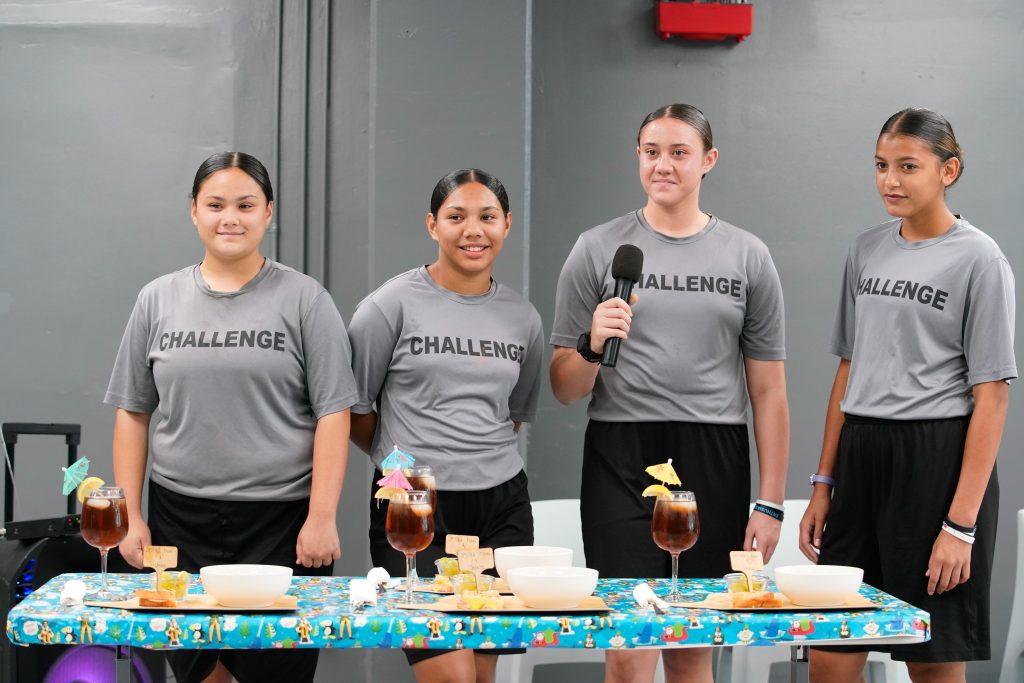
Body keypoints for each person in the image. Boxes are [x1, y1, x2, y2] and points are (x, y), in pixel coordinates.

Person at [549, 104, 790, 683]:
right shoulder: (597, 249)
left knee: (692, 643)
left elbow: (770, 389)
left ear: (707, 161)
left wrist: (771, 500)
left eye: (679, 152)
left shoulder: (748, 255)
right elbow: (563, 387)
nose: (664, 165)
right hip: (620, 453)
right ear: (638, 156)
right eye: (651, 151)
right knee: (629, 644)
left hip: (714, 455)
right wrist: (590, 345)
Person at [107, 152, 357, 683]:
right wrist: (131, 514)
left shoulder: (306, 300)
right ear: (193, 212)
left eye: (246, 205)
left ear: (268, 213)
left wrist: (322, 516)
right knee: (201, 676)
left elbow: (334, 414)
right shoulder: (157, 299)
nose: (230, 218)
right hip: (180, 518)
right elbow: (133, 411)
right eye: (215, 204)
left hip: (281, 522)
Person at [799, 108, 1015, 683]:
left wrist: (960, 526)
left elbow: (991, 397)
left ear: (949, 170)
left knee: (932, 661)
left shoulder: (981, 260)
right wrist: (824, 484)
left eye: (908, 166)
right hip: (861, 454)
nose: (890, 180)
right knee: (831, 651)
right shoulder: (865, 249)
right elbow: (849, 371)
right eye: (881, 165)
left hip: (935, 459)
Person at [348, 168, 543, 683]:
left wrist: (474, 460)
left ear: (507, 225)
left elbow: (513, 416)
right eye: (456, 217)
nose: (472, 230)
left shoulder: (523, 318)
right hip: (411, 502)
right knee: (451, 675)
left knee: (481, 674)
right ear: (433, 225)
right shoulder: (388, 306)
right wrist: (400, 466)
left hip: (502, 504)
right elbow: (355, 407)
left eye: (487, 217)